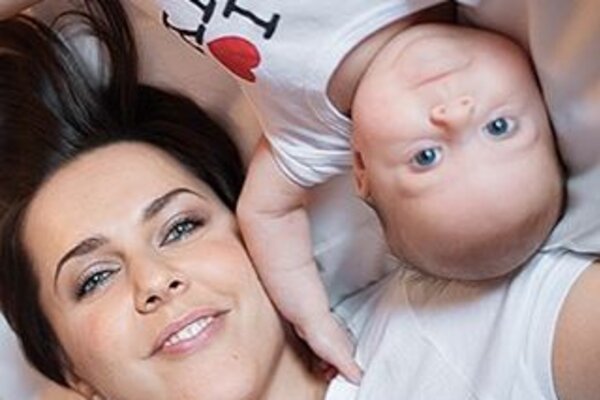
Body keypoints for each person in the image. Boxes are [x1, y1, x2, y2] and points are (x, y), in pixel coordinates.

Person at [1, 4, 600, 400]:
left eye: (182, 227)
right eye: (95, 277)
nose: (155, 281)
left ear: (252, 240)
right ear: (69, 369)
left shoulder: (465, 325)